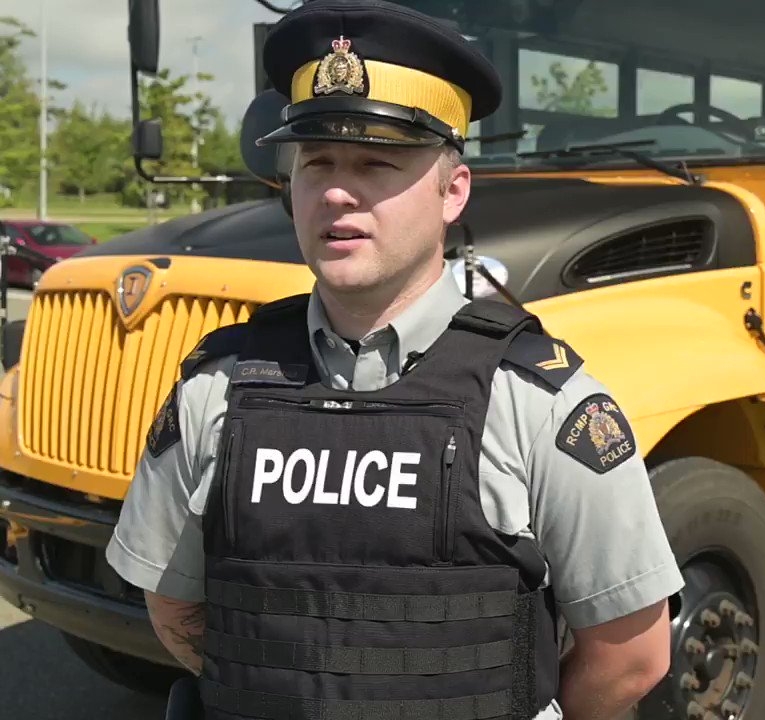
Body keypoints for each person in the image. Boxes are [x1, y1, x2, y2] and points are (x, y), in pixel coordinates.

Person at [103, 1, 685, 718]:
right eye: (316, 162)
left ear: (453, 191)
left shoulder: (539, 404)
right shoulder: (216, 390)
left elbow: (632, 656)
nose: (336, 192)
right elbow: (174, 608)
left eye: (376, 163)